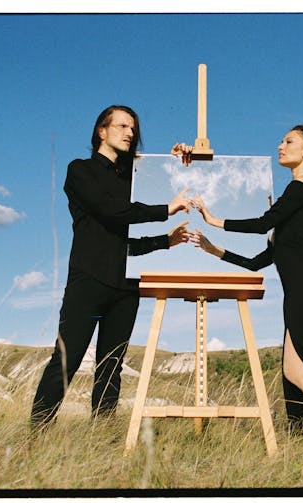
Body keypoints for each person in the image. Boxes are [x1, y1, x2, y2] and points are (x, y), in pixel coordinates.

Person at [181, 125, 303, 433]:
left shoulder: (301, 187)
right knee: (298, 369)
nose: (280, 146)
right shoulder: (295, 196)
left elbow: (262, 225)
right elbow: (257, 261)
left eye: (289, 141)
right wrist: (213, 250)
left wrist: (213, 219)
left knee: (298, 370)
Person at [30, 105, 191, 429]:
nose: (130, 133)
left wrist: (176, 161)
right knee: (67, 360)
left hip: (127, 287)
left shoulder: (134, 179)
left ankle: (101, 439)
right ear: (101, 131)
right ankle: (35, 435)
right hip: (88, 283)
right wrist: (165, 209)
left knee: (111, 366)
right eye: (121, 126)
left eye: (133, 128)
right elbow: (112, 211)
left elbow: (125, 242)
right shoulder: (81, 171)